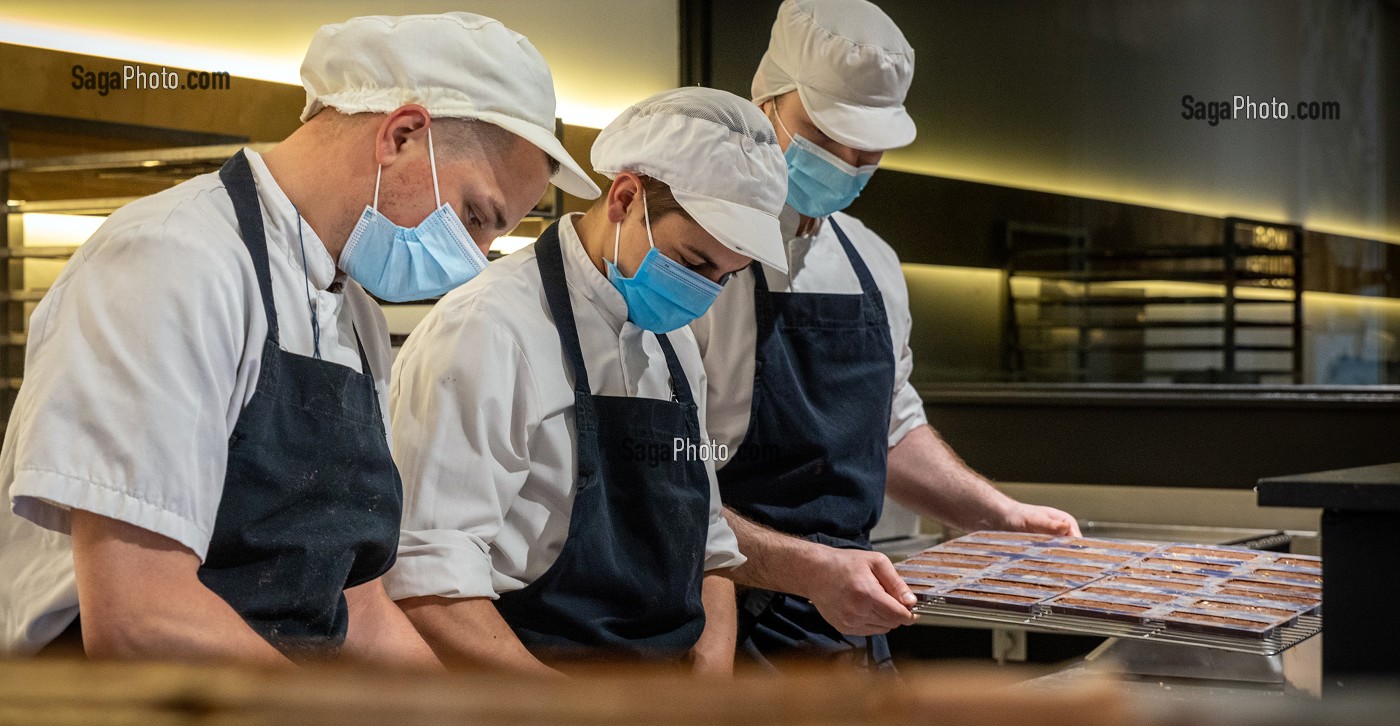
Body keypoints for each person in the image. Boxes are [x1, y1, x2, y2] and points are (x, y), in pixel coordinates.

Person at [0, 13, 600, 665]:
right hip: (119, 722)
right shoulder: (172, 261)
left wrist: (459, 723)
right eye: (477, 217)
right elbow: (141, 615)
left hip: (274, 712)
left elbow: (359, 602)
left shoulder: (355, 318)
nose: (480, 256)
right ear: (400, 136)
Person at [693, 0, 1080, 670]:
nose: (845, 162)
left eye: (864, 150)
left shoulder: (873, 261)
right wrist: (806, 572)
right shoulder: (698, 261)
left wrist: (996, 513)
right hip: (728, 616)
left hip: (852, 619)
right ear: (766, 104)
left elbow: (893, 429)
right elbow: (675, 490)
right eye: (825, 137)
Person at [386, 87, 789, 675]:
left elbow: (709, 544)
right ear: (626, 197)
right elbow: (431, 581)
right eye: (695, 263)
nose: (704, 295)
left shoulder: (676, 345)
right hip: (536, 701)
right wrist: (581, 722)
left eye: (727, 277)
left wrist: (710, 688)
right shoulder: (487, 329)